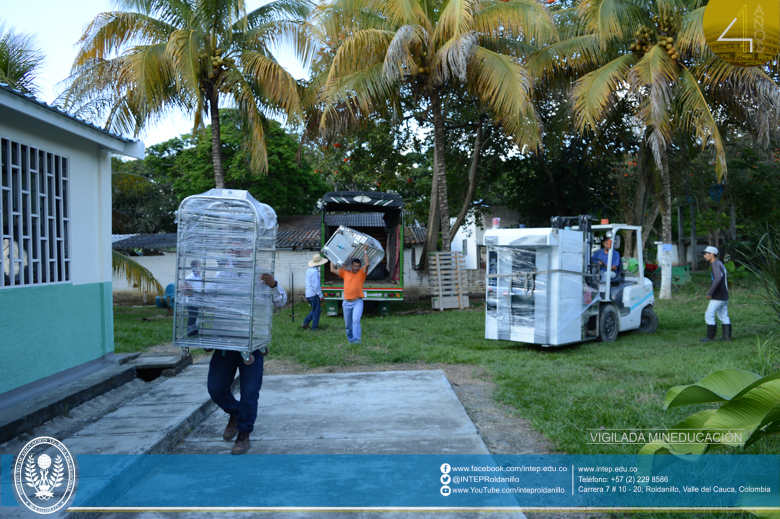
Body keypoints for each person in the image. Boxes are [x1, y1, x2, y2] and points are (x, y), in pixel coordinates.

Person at [208, 247, 287, 455]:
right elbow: (208, 301)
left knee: (250, 392)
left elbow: (281, 302)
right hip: (226, 343)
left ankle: (244, 434)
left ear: (251, 249)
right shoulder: (221, 275)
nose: (237, 252)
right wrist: (191, 291)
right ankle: (235, 412)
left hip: (253, 345)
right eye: (234, 248)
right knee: (215, 388)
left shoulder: (263, 275)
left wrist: (274, 286)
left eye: (242, 248)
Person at [330, 244, 369, 344]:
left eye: (358, 266)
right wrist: (331, 256)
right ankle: (351, 341)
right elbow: (332, 269)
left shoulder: (362, 273)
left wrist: (365, 251)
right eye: (354, 266)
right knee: (348, 325)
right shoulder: (345, 273)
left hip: (357, 302)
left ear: (360, 267)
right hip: (346, 303)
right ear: (351, 265)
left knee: (356, 321)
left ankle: (357, 341)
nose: (356, 268)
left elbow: (367, 264)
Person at [700, 245, 730, 343]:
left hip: (718, 296)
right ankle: (726, 338)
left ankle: (710, 338)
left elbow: (718, 279)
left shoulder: (715, 264)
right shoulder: (719, 263)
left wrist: (710, 292)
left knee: (709, 314)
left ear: (712, 254)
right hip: (724, 295)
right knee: (723, 316)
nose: (704, 256)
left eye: (706, 254)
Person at [302, 253, 328, 331]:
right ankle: (314, 328)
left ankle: (305, 323)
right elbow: (316, 286)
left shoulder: (309, 270)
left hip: (308, 293)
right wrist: (320, 295)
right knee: (317, 311)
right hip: (313, 294)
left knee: (315, 309)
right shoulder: (315, 271)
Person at [183, 260, 204, 337]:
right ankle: (190, 333)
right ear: (194, 267)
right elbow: (186, 289)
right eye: (199, 265)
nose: (201, 267)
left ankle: (195, 331)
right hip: (191, 300)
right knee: (192, 316)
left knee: (196, 316)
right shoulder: (189, 277)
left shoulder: (200, 277)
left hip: (198, 300)